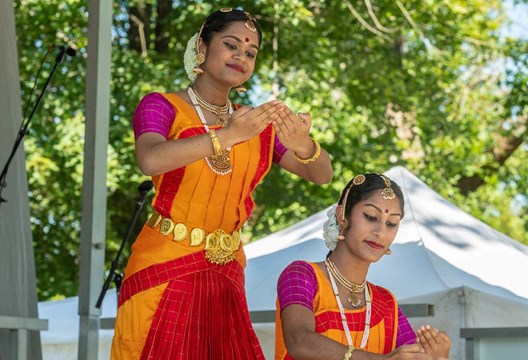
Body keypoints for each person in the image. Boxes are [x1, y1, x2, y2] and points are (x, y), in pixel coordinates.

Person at [111, 8, 333, 359]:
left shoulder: (254, 123)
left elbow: (322, 175)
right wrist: (226, 137)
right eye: (230, 45)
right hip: (164, 265)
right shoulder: (162, 105)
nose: (240, 57)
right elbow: (150, 159)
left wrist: (304, 144)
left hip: (226, 274)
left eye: (250, 52)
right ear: (202, 46)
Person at [275, 173, 451, 360]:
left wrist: (437, 356)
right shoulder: (302, 276)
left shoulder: (385, 303)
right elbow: (299, 341)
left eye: (391, 224)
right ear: (342, 216)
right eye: (371, 217)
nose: (381, 233)